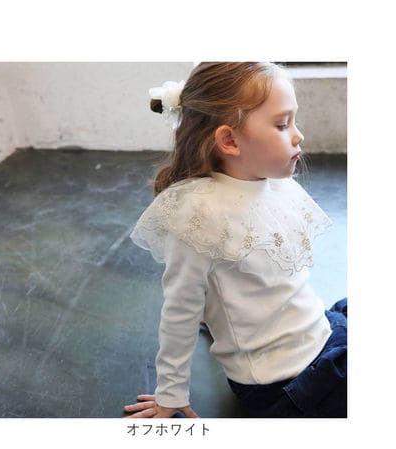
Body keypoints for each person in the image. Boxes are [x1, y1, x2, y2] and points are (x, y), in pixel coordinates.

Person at [123, 62, 347, 418]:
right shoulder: (201, 214)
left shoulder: (272, 184)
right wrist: (170, 393)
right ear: (229, 141)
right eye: (282, 124)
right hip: (291, 379)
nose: (298, 135)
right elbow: (179, 310)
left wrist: (216, 309)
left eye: (294, 121)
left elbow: (254, 276)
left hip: (318, 333)